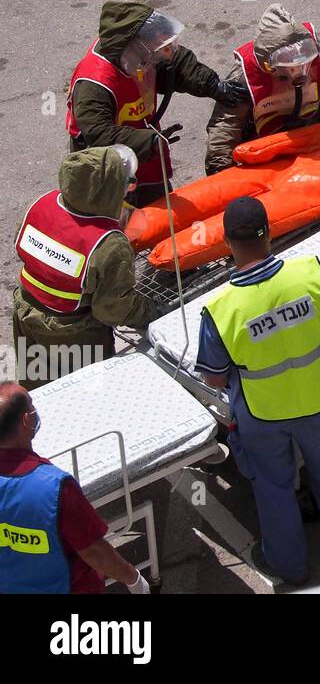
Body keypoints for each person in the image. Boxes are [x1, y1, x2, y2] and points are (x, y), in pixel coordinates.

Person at [196, 197, 320, 585]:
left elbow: (214, 379)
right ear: (269, 232)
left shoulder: (221, 308)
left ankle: (289, 564)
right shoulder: (309, 272)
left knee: (273, 488)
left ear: (227, 242)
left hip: (262, 412)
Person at [66, 2, 245, 206]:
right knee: (121, 218)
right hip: (107, 163)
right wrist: (147, 142)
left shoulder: (143, 51)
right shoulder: (93, 84)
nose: (164, 53)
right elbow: (99, 134)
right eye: (156, 50)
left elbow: (177, 63)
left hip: (144, 143)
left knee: (158, 208)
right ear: (133, 49)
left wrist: (213, 86)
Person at [12, 147, 154, 389]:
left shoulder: (42, 203)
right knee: (84, 396)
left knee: (38, 391)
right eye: (126, 183)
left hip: (25, 316)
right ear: (109, 189)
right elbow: (112, 309)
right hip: (74, 336)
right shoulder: (109, 243)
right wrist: (151, 313)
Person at [0, 382, 151, 593]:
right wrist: (133, 579)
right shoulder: (54, 487)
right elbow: (94, 552)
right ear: (26, 420)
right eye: (32, 407)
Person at [204, 5, 320, 174]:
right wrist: (220, 170)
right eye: (289, 62)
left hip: (308, 134)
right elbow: (226, 124)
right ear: (269, 65)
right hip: (263, 148)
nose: (300, 67)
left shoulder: (316, 54)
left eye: (303, 58)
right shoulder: (244, 77)